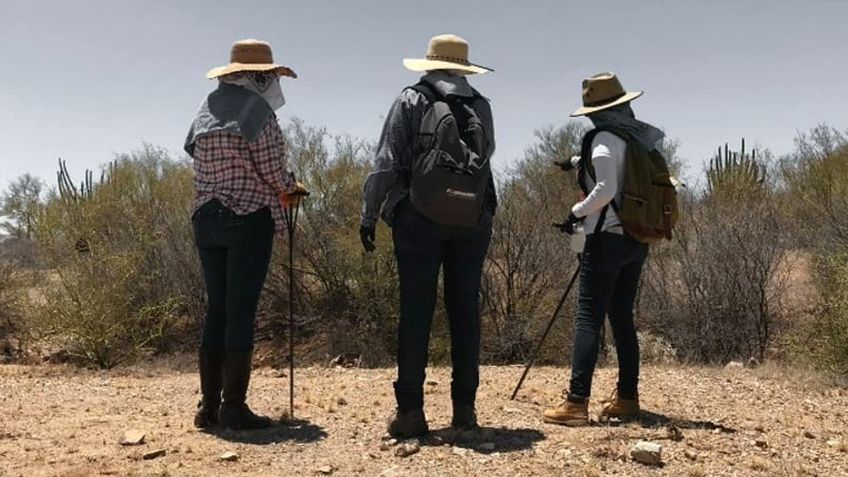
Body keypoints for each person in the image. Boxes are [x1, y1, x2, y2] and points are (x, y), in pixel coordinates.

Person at [360, 34, 497, 438]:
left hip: (418, 217)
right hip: (472, 218)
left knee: (416, 311)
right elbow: (486, 157)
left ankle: (410, 412)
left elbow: (387, 162)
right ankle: (465, 411)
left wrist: (369, 214)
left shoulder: (411, 99)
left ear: (430, 64)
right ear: (463, 68)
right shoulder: (481, 105)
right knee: (465, 310)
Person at [184, 39, 306, 430]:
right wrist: (291, 187)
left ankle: (209, 408)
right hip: (248, 218)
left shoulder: (207, 108)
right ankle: (234, 407)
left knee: (217, 308)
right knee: (240, 309)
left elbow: (193, 151)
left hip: (206, 216)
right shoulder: (258, 112)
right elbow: (273, 172)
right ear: (258, 77)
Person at [544, 72, 665, 426]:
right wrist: (575, 161)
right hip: (635, 238)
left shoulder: (602, 139)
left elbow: (606, 188)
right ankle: (627, 398)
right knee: (622, 318)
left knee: (588, 318)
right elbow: (618, 169)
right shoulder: (637, 139)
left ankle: (576, 403)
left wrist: (575, 212)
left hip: (605, 239)